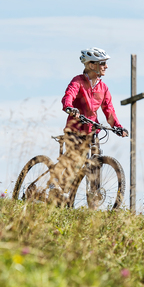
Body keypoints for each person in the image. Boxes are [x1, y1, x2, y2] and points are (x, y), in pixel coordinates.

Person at [51, 47, 127, 197]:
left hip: (93, 130)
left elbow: (109, 110)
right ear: (92, 65)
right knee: (75, 159)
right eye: (103, 63)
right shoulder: (77, 81)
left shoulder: (103, 88)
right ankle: (54, 184)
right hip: (75, 128)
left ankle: (93, 193)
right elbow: (69, 95)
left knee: (94, 158)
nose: (106, 66)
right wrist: (69, 107)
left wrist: (118, 127)